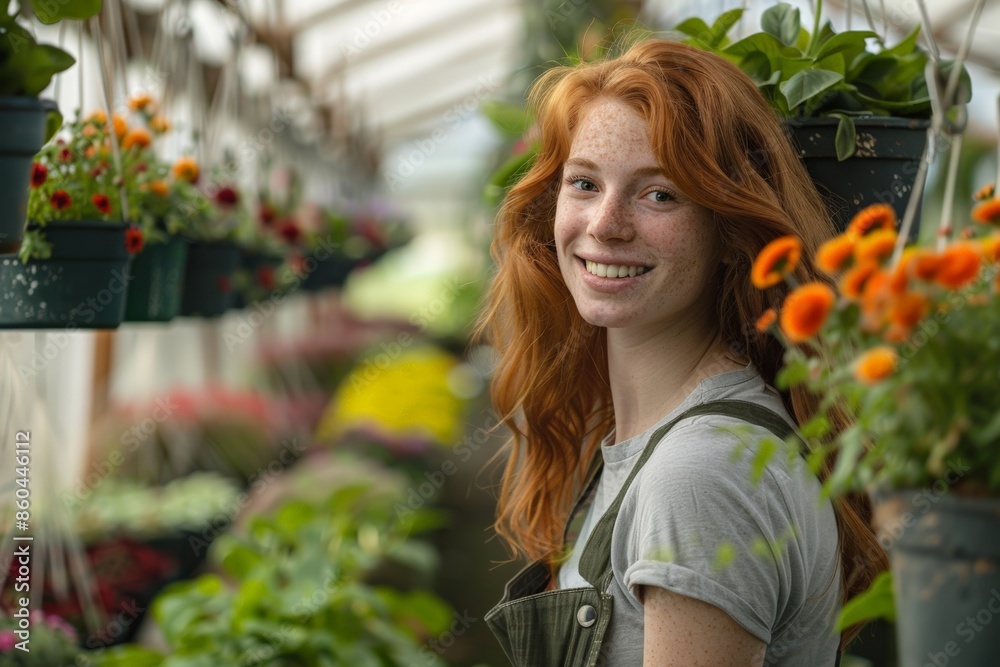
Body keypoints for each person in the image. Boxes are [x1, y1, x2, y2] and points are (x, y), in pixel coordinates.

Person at [475, 39, 887, 666]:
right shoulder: (652, 439)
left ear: (730, 231)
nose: (606, 224)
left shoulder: (699, 476)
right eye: (584, 183)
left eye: (659, 194)